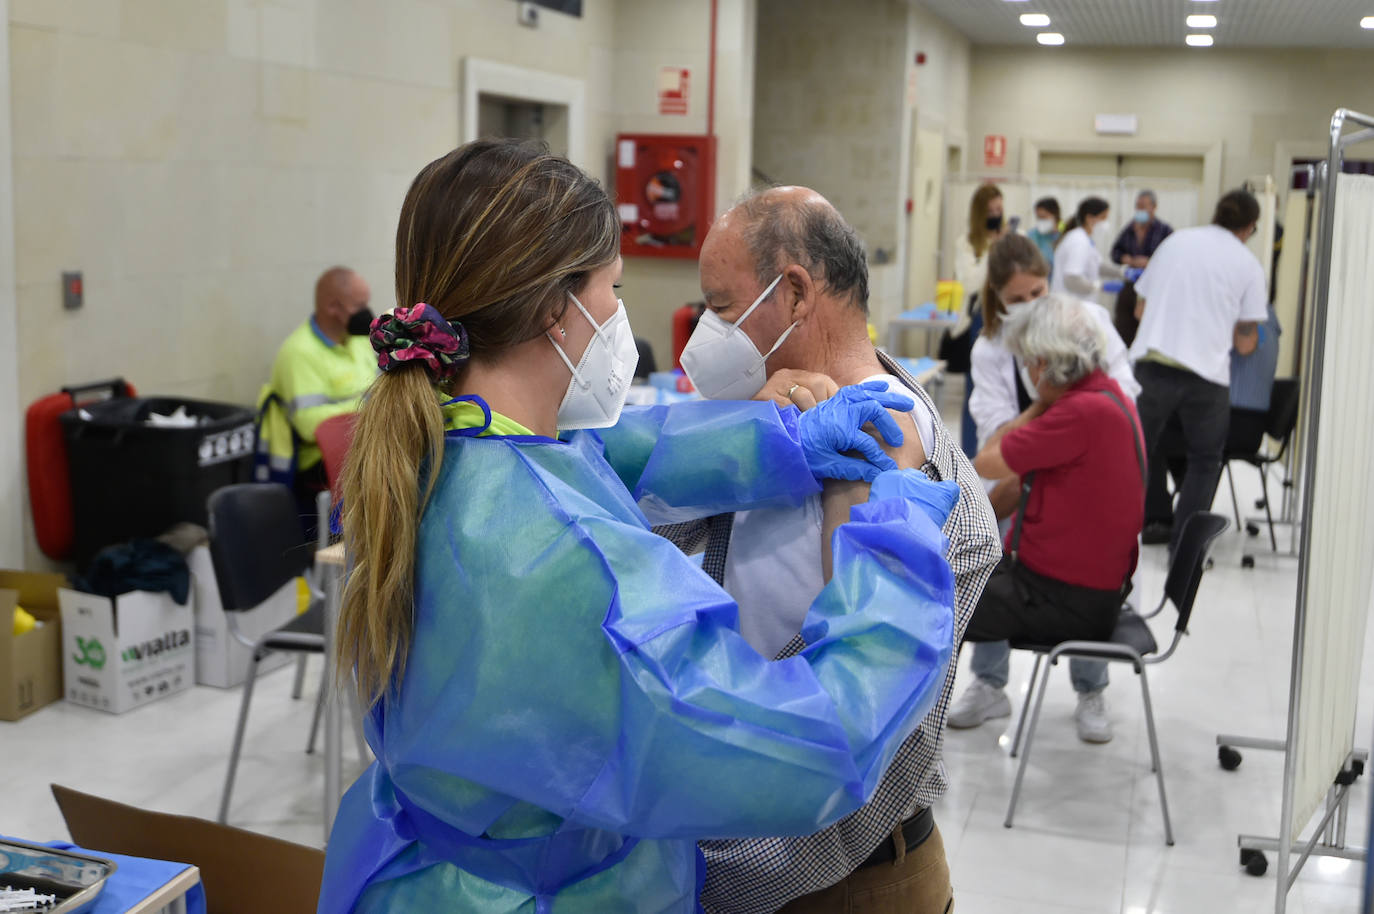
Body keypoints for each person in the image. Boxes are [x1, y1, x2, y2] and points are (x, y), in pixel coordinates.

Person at [318, 141, 963, 912]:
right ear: (557, 309)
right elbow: (814, 750)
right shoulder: (566, 562)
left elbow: (624, 452)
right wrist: (895, 544)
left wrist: (783, 441)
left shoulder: (431, 448)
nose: (621, 316)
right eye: (614, 289)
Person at [679, 186, 1002, 914]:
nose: (705, 333)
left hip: (839, 881)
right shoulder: (784, 413)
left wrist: (709, 867)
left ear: (794, 291)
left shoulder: (887, 441)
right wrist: (732, 442)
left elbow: (870, 729)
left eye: (722, 307)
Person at [951, 233, 1140, 742]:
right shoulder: (991, 349)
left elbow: (1120, 388)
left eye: (1038, 293)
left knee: (1065, 565)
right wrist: (1044, 427)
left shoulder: (1085, 326)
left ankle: (1089, 684)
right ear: (997, 297)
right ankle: (990, 684)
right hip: (1030, 462)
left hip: (1073, 465)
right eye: (1018, 299)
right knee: (991, 540)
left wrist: (1051, 418)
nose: (1030, 306)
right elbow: (994, 436)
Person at [1132, 189, 1266, 554]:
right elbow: (1244, 342)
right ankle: (1186, 551)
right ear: (1250, 226)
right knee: (1205, 462)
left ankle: (1125, 536)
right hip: (1207, 378)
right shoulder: (1248, 264)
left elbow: (1140, 311)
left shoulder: (1175, 242)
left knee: (1136, 452)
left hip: (1152, 367)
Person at [255, 266, 377, 522]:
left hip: (362, 445)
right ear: (333, 307)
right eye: (359, 305)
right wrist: (367, 409)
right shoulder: (298, 352)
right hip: (319, 462)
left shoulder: (357, 340)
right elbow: (310, 425)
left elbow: (380, 389)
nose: (367, 312)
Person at [951, 183, 1006, 456]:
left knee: (1003, 387)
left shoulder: (1008, 237)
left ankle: (998, 453)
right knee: (974, 390)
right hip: (978, 320)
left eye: (999, 209)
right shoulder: (966, 243)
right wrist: (991, 250)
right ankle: (970, 456)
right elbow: (971, 283)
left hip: (1005, 318)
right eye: (991, 210)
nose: (996, 215)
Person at [1110, 190, 1174, 346]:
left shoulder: (1164, 230)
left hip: (1152, 287)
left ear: (1153, 207)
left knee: (1147, 329)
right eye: (1137, 206)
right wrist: (1128, 259)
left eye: (1143, 206)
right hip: (1130, 285)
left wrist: (1150, 262)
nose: (1139, 210)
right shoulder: (1130, 229)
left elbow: (1173, 257)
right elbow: (1115, 253)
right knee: (1123, 329)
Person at [1051, 196, 1113, 298]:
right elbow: (1071, 279)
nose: (1105, 223)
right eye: (1103, 218)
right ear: (1089, 218)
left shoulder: (1084, 239)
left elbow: (1096, 265)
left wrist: (1122, 272)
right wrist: (1099, 286)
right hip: (1069, 306)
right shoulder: (1078, 242)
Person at [1025, 196, 1061, 268]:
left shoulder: (1064, 235)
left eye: (1043, 217)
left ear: (1055, 215)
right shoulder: (1032, 235)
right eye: (1038, 217)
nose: (1041, 221)